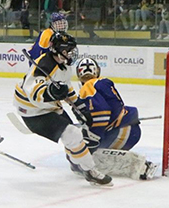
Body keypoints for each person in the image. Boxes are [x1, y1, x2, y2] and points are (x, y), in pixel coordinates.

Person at [13, 31, 112, 186]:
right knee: (72, 134)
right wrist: (51, 92)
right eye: (69, 50)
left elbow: (67, 88)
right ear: (61, 51)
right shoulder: (44, 66)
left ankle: (78, 161)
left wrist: (79, 107)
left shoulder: (63, 66)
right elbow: (33, 93)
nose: (73, 53)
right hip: (33, 112)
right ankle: (89, 170)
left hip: (49, 108)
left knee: (73, 136)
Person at [73, 57, 157, 179]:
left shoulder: (87, 87)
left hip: (123, 131)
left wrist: (92, 138)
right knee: (87, 151)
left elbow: (102, 113)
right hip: (126, 129)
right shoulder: (100, 83)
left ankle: (142, 166)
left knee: (90, 154)